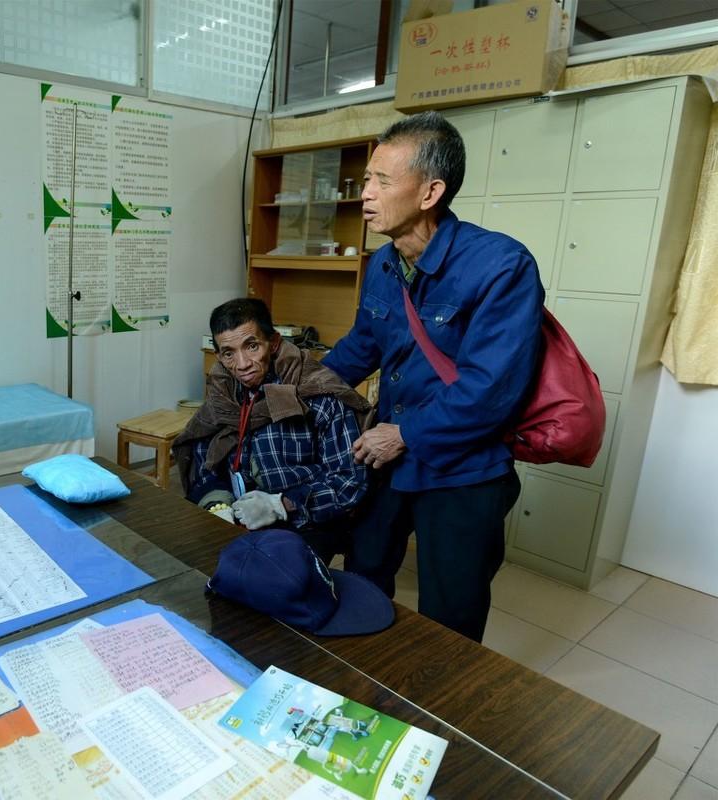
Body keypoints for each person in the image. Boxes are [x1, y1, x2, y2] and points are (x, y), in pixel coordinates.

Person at [321, 111, 544, 642]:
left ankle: (443, 717)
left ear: (429, 192)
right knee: (362, 576)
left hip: (463, 470)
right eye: (367, 179)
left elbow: (491, 390)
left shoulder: (501, 265)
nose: (366, 193)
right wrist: (294, 389)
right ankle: (366, 682)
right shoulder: (383, 262)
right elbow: (361, 347)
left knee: (452, 611)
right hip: (387, 458)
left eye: (382, 181)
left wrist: (405, 434)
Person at [173, 298, 370, 561]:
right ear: (219, 356)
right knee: (182, 562)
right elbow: (202, 453)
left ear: (274, 342)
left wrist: (281, 505)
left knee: (274, 582)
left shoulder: (317, 395)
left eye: (252, 346)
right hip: (237, 514)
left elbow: (349, 484)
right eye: (229, 353)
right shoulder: (224, 393)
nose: (242, 364)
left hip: (305, 522)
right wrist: (217, 501)